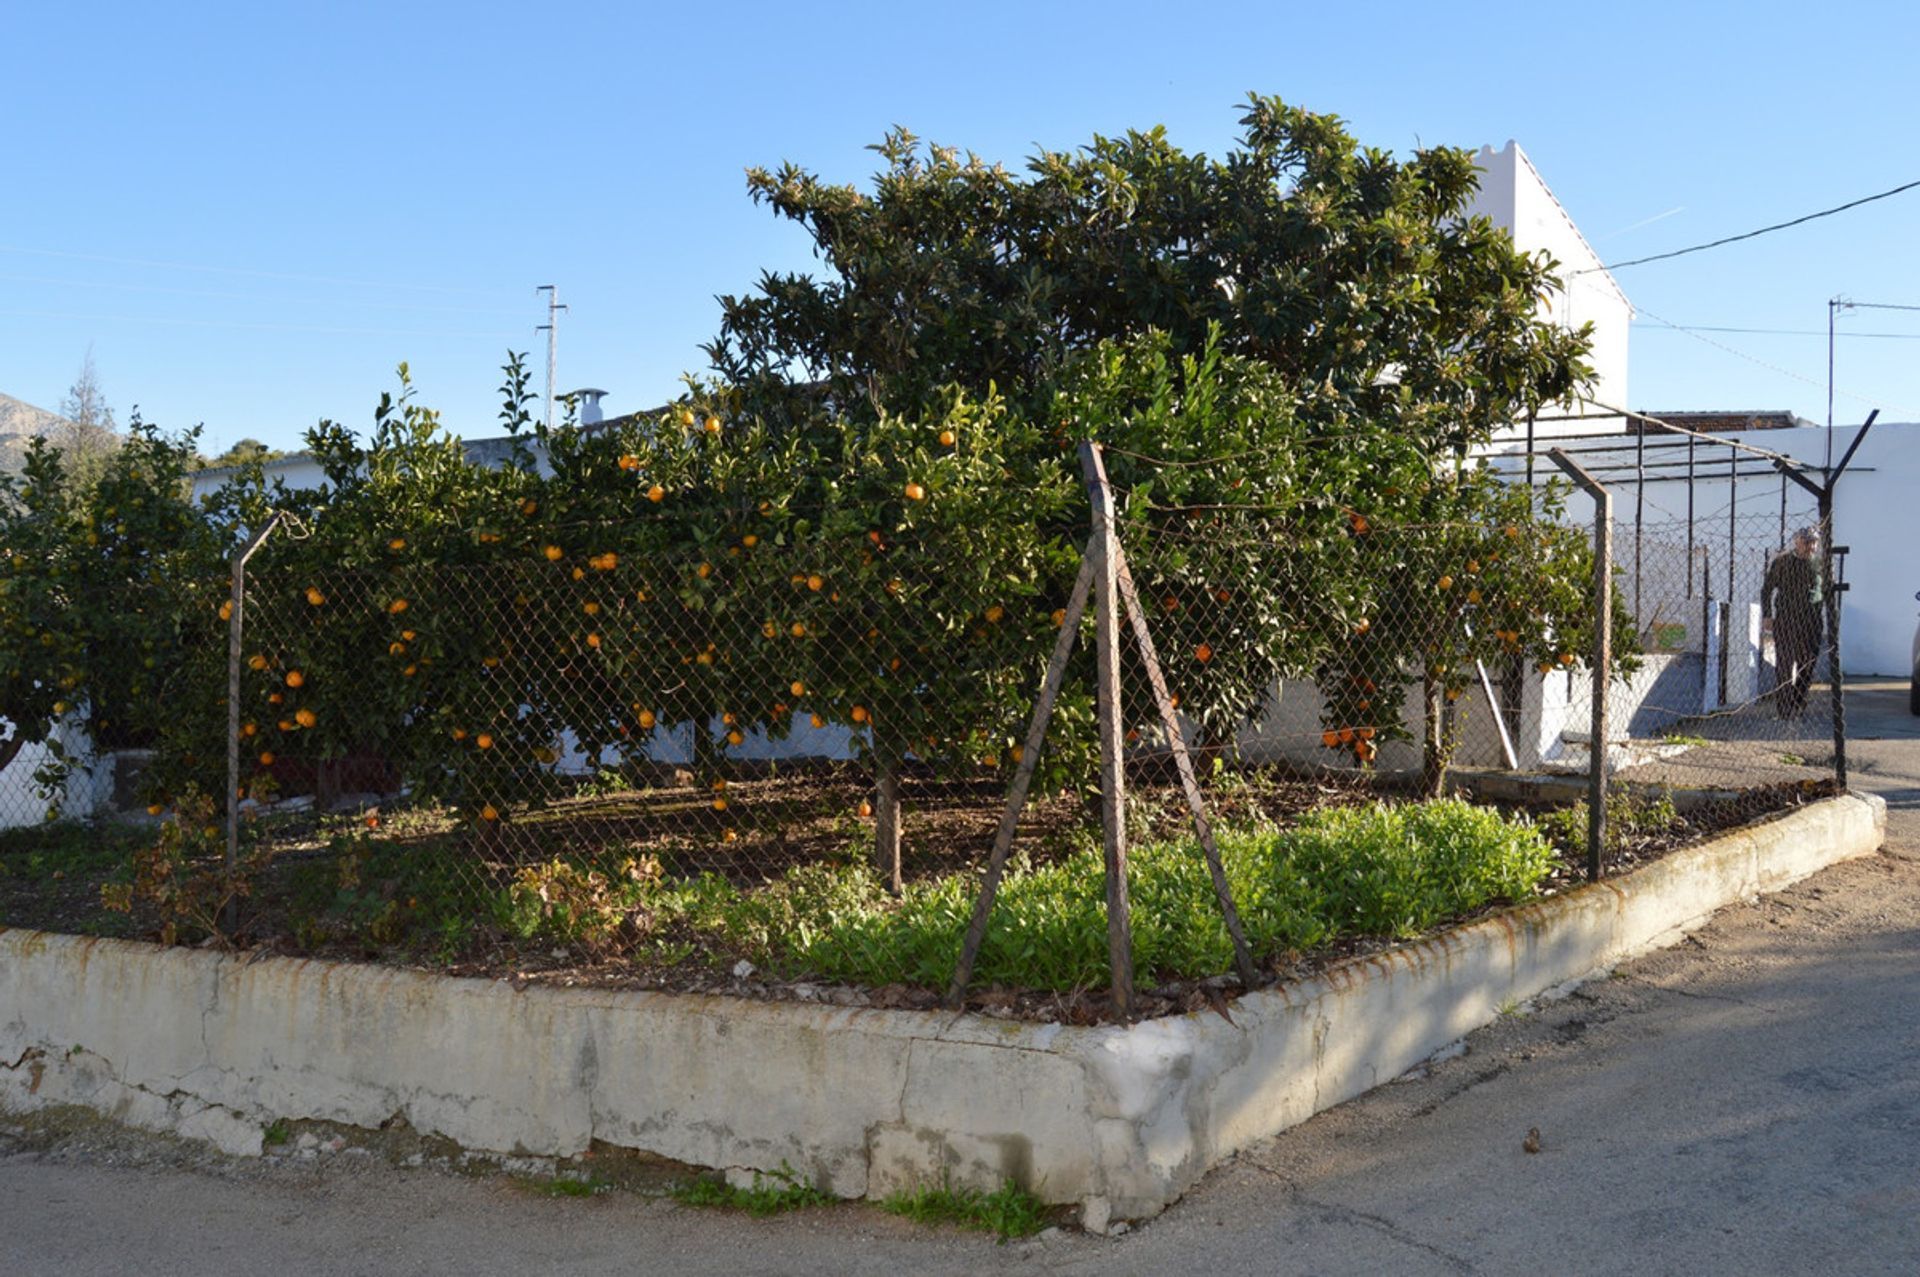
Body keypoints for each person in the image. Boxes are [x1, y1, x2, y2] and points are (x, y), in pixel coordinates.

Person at [1760, 526, 1824, 719]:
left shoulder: (1820, 563)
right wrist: (1768, 615)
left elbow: (1827, 589)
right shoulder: (1783, 562)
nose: (1810, 547)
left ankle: (1798, 702)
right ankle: (1784, 709)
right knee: (1785, 665)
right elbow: (1767, 589)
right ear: (1797, 542)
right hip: (1787, 619)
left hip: (1811, 620)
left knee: (1808, 664)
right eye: (1806, 542)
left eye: (1814, 542)